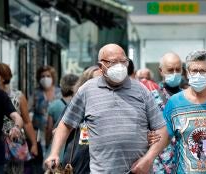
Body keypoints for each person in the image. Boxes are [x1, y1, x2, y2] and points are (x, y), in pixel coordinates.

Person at [45, 44, 170, 173]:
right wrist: (54, 153)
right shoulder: (87, 90)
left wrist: (148, 159)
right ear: (101, 66)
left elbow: (162, 129)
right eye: (113, 62)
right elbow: (66, 124)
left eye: (123, 61)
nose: (120, 66)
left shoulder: (141, 90)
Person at [0, 62, 38, 174]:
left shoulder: (18, 96)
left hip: (14, 144)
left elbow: (27, 122)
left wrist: (34, 144)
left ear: (3, 77)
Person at [149, 52, 183, 173]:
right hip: (159, 162)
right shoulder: (151, 98)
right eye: (170, 70)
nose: (175, 73)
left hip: (186, 162)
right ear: (161, 71)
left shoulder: (190, 97)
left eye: (178, 69)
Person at [30, 65, 61, 173]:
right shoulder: (36, 92)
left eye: (48, 76)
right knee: (41, 160)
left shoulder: (59, 92)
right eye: (42, 76)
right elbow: (30, 110)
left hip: (55, 131)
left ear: (52, 77)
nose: (45, 78)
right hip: (39, 132)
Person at [45, 74, 79, 152]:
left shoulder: (53, 105)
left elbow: (49, 128)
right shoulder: (79, 104)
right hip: (72, 148)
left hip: (57, 147)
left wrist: (47, 144)